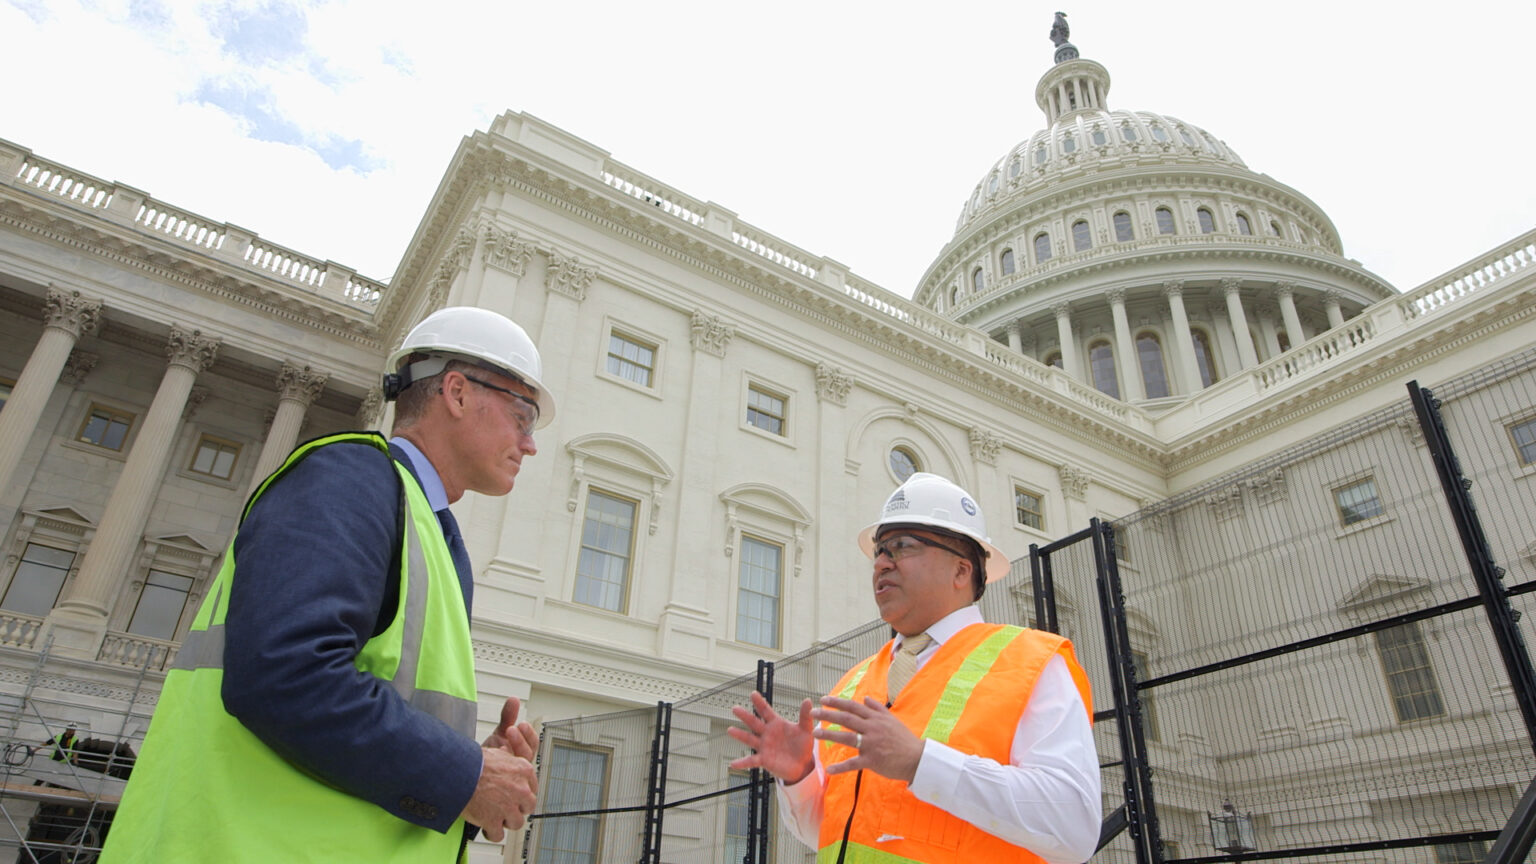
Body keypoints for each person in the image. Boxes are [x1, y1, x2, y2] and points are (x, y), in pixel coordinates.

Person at [101, 307, 554, 863]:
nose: (529, 444)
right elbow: (286, 674)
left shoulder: (428, 531)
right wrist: (463, 773)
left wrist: (470, 780)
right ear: (457, 393)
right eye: (523, 415)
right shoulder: (351, 479)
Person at [729, 473, 1101, 864]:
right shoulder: (855, 682)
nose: (881, 563)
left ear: (962, 571)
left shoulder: (1032, 662)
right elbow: (829, 834)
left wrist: (921, 763)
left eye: (902, 546)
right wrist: (800, 776)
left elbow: (1074, 826)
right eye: (879, 551)